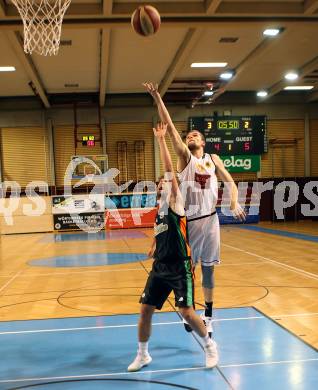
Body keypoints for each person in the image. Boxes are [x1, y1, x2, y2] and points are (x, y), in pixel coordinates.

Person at [143, 82, 246, 339]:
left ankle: (208, 317)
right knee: (187, 272)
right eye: (188, 135)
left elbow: (231, 183)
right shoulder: (185, 159)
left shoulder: (213, 159)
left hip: (211, 221)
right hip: (187, 224)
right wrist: (157, 97)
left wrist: (233, 201)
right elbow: (171, 133)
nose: (191, 137)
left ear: (203, 141)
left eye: (195, 135)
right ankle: (188, 310)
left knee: (209, 272)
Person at [127, 122, 218, 372]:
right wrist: (155, 244)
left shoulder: (177, 202)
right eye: (158, 186)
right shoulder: (159, 211)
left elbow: (169, 169)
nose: (161, 186)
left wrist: (160, 140)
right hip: (160, 267)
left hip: (180, 268)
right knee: (145, 309)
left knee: (187, 313)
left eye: (164, 183)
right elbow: (163, 232)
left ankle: (210, 347)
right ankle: (143, 354)